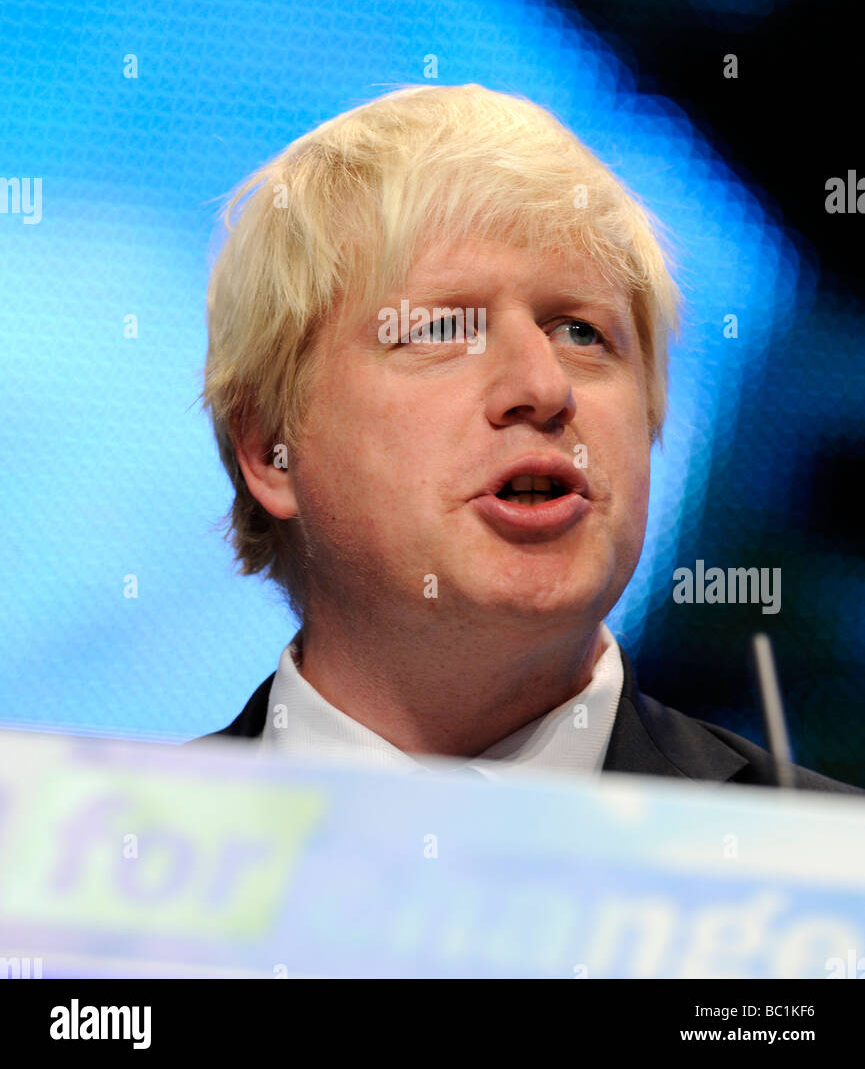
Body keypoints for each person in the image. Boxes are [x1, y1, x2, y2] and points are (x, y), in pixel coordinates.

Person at [191, 83, 859, 793]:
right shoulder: (94, 861)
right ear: (271, 453)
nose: (543, 388)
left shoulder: (825, 868)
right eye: (442, 330)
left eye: (582, 333)